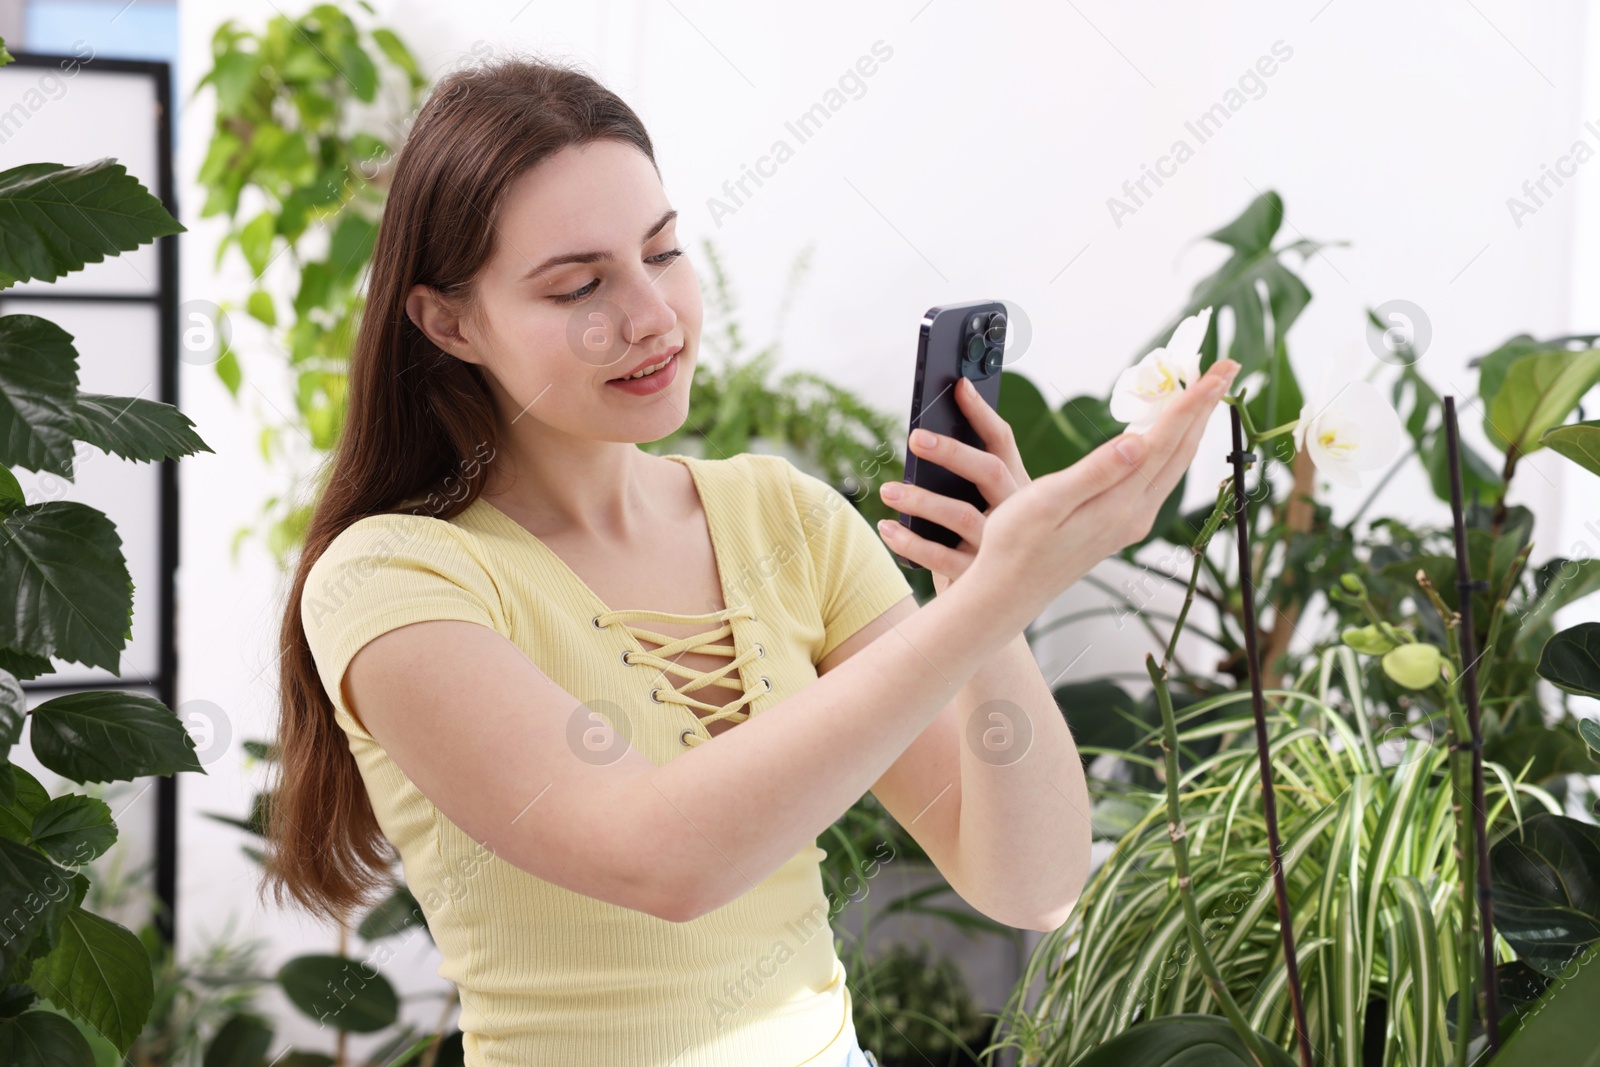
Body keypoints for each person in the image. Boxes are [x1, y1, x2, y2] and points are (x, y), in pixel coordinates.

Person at [265, 52, 1239, 1067]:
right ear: (447, 319)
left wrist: (977, 590)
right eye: (578, 284)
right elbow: (662, 860)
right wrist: (992, 600)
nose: (651, 315)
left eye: (663, 251)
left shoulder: (784, 517)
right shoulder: (391, 578)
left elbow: (1030, 879)